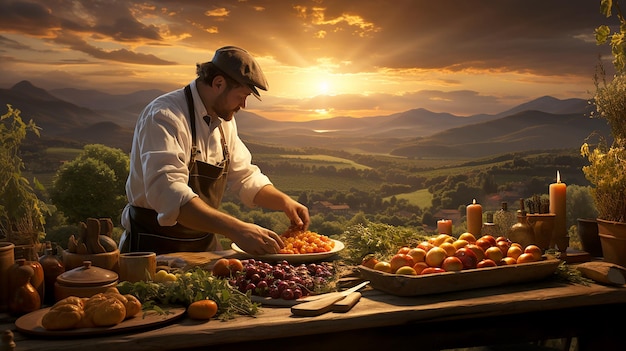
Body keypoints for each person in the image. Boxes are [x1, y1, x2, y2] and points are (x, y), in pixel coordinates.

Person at [119, 46, 310, 256]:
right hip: (152, 250)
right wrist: (236, 228)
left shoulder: (224, 122)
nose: (243, 105)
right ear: (218, 83)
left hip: (204, 248)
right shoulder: (164, 116)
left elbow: (245, 177)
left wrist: (284, 202)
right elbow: (169, 192)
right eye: (241, 96)